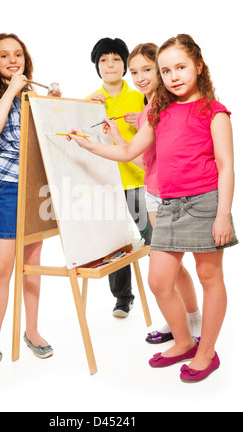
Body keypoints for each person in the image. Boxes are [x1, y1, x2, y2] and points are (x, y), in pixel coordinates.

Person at [67, 34, 238, 383]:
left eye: (181, 67)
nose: (173, 75)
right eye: (167, 70)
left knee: (209, 277)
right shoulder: (158, 112)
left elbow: (226, 166)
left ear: (198, 66)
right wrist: (86, 144)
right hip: (170, 204)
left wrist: (223, 215)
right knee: (160, 280)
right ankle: (186, 341)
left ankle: (207, 353)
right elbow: (128, 152)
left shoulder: (214, 112)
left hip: (206, 203)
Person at [0, 33, 61, 387]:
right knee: (1, 268)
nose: (12, 60)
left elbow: (50, 141)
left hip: (37, 187)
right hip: (7, 189)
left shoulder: (32, 97)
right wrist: (12, 91)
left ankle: (32, 331)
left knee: (32, 262)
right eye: (4, 56)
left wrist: (52, 104)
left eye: (17, 54)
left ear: (25, 59)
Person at [127, 43, 202, 344]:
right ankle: (181, 321)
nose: (141, 77)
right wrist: (118, 137)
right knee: (173, 265)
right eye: (134, 72)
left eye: (147, 69)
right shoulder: (147, 110)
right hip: (153, 193)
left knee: (174, 265)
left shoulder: (167, 107)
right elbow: (142, 158)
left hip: (176, 195)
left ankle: (193, 321)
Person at [87, 37, 152, 319]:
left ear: (125, 65)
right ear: (97, 66)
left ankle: (168, 286)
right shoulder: (90, 100)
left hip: (139, 180)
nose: (110, 65)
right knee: (116, 243)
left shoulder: (141, 95)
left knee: (153, 239)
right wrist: (85, 104)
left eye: (115, 59)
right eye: (103, 60)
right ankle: (123, 298)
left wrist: (140, 119)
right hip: (106, 183)